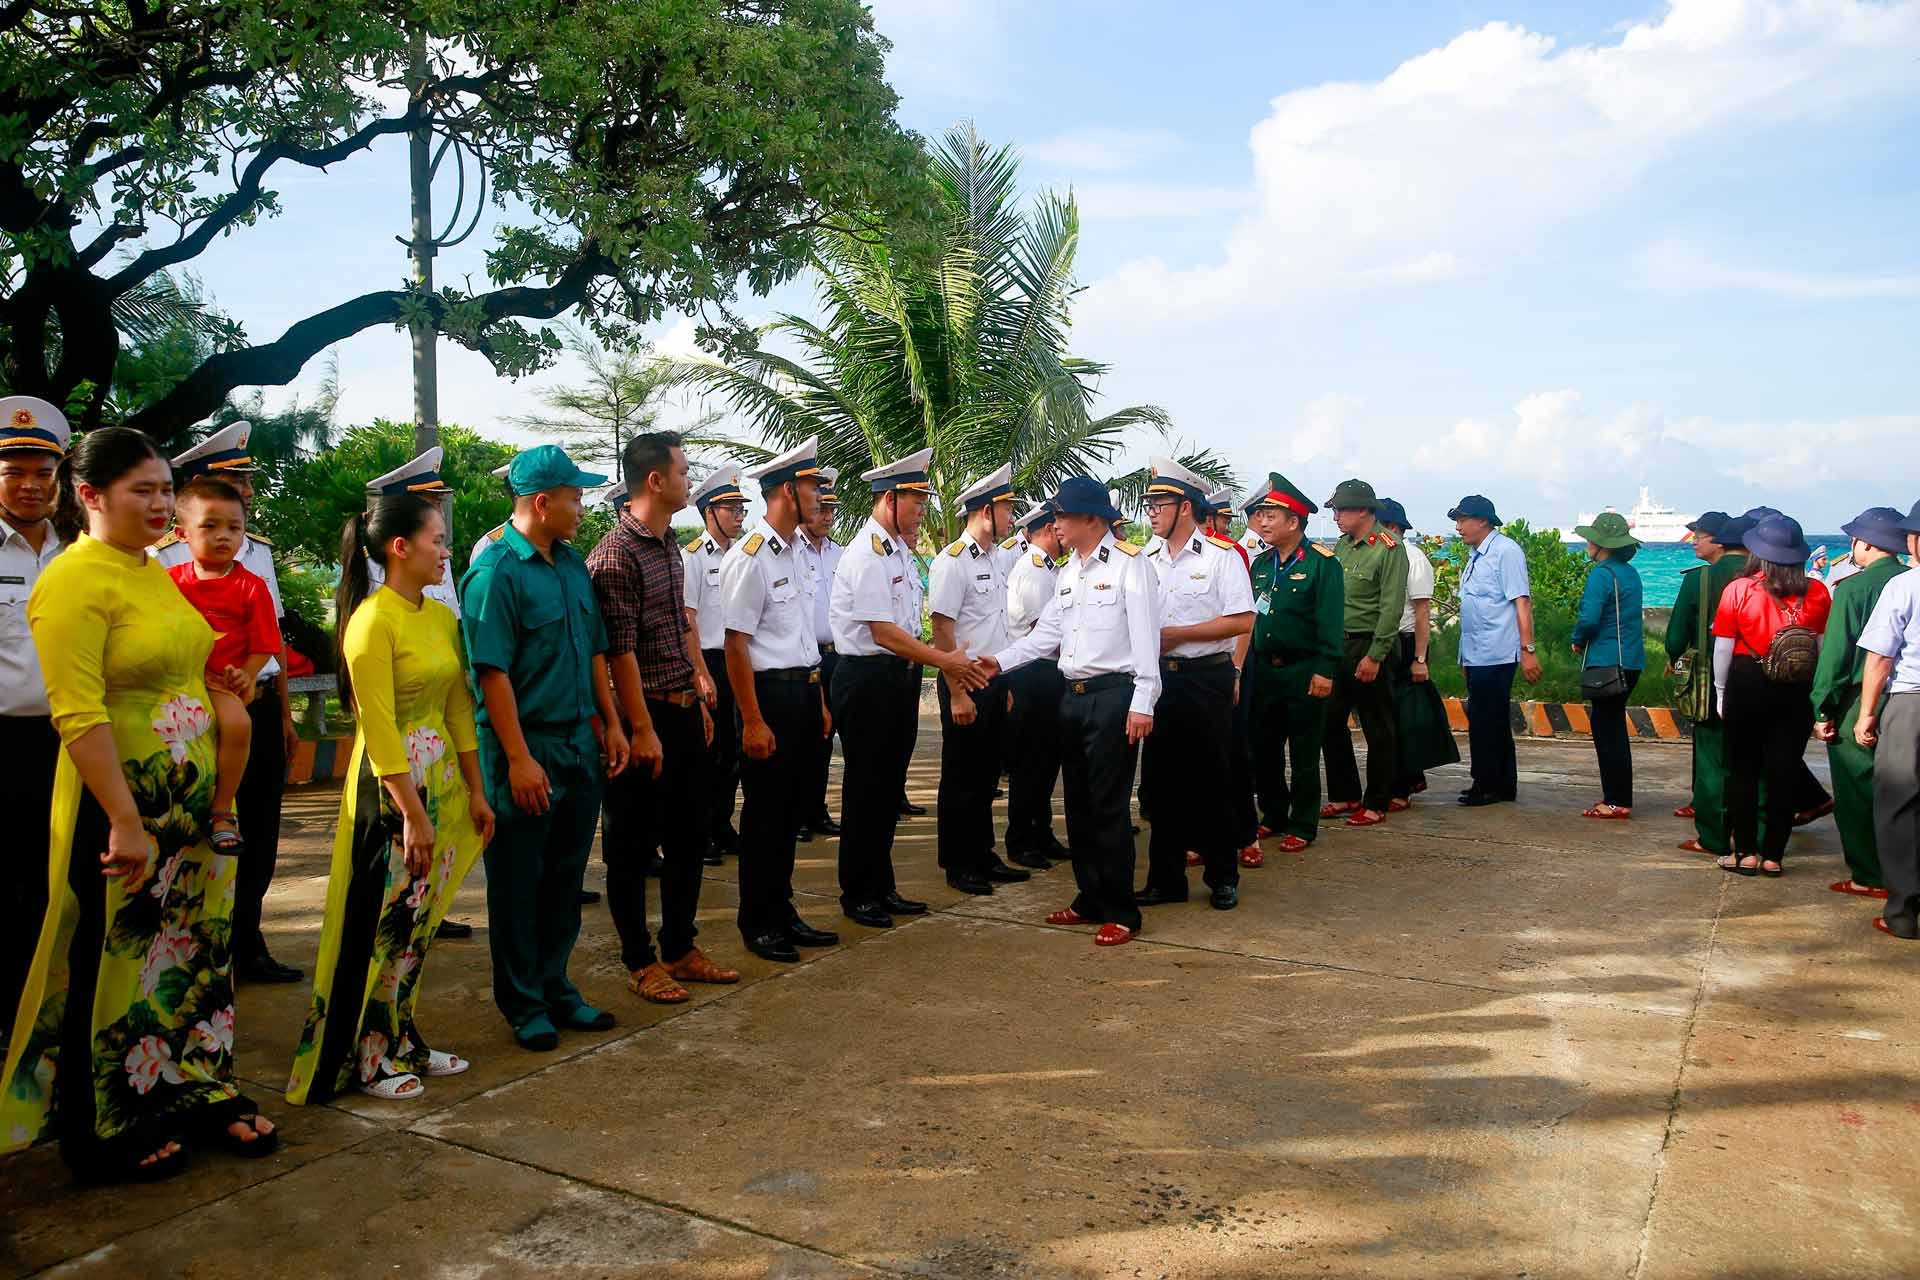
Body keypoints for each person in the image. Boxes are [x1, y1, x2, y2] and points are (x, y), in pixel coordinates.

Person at [4, 427, 276, 1181]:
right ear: (89, 496)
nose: (161, 504)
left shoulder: (152, 570)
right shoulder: (73, 580)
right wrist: (124, 819)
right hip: (121, 805)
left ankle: (188, 1084)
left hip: (189, 805)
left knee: (187, 952)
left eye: (165, 490)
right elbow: (77, 713)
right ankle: (99, 1126)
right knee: (115, 960)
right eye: (143, 491)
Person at [286, 494, 494, 1102]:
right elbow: (376, 729)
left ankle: (401, 1037)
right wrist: (412, 813)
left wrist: (476, 792)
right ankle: (364, 1056)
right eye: (437, 539)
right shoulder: (371, 622)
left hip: (444, 784)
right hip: (392, 791)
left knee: (418, 923)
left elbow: (460, 708)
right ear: (399, 547)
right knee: (383, 923)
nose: (446, 551)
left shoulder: (438, 616)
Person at [461, 445, 630, 1051]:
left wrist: (610, 721)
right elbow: (491, 674)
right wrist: (516, 758)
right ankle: (524, 1002)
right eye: (575, 497)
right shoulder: (494, 572)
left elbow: (592, 650)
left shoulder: (570, 565)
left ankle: (557, 986)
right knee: (518, 881)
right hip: (524, 747)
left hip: (577, 742)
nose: (582, 508)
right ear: (542, 501)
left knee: (563, 878)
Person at [587, 433, 741, 1006]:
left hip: (678, 709)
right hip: (637, 715)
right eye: (682, 470)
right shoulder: (614, 554)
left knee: (687, 834)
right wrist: (641, 727)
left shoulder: (667, 546)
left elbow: (678, 626)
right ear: (655, 480)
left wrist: (698, 690)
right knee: (629, 844)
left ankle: (679, 946)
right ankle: (639, 960)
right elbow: (618, 650)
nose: (688, 479)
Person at [979, 477, 1161, 947]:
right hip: (1072, 695)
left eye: (1062, 516)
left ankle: (1121, 909)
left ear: (1092, 519)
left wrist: (1143, 702)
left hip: (1113, 696)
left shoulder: (1129, 565)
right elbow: (1045, 637)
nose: (1055, 524)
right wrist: (999, 661)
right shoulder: (1068, 572)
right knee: (1077, 805)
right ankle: (1090, 896)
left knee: (1108, 806)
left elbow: (1146, 639)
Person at [153, 421, 301, 984]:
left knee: (259, 829)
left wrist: (284, 714)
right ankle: (189, 947)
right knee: (191, 830)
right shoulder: (161, 558)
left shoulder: (255, 553)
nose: (244, 494)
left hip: (255, 703)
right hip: (190, 712)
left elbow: (276, 641)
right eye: (230, 482)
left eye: (244, 485)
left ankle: (248, 941)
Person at [829, 447, 983, 929]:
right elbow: (883, 633)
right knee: (865, 790)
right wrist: (944, 661)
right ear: (889, 498)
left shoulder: (897, 551)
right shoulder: (867, 554)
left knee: (886, 789)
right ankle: (859, 892)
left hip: (896, 678)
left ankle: (882, 885)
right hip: (868, 679)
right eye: (915, 499)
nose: (921, 509)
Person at [718, 438, 839, 963]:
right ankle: (758, 920)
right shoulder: (751, 557)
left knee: (791, 812)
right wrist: (750, 719)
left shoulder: (794, 553)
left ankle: (783, 909)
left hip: (804, 693)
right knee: (765, 815)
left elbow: (801, 635)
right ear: (788, 490)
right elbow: (735, 643)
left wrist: (820, 700)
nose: (820, 496)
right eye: (813, 486)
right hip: (766, 698)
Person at [1134, 459, 1253, 910]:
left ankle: (1223, 876)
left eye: (1159, 504)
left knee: (1213, 779)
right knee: (1161, 785)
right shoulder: (1143, 560)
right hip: (1160, 680)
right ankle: (1165, 880)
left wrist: (1181, 634)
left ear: (1184, 507)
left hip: (1206, 678)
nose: (1151, 512)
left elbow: (1242, 619)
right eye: (1149, 504)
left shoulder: (1220, 558)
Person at [163, 477, 284, 861]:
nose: (223, 536)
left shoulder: (251, 586)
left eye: (234, 528)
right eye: (210, 526)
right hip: (179, 683)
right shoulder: (168, 582)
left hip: (223, 687)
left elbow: (266, 643)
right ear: (182, 533)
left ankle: (221, 810)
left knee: (238, 724)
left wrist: (245, 674)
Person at [1711, 515, 1831, 877]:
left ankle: (1745, 852)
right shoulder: (1818, 591)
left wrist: (1720, 691)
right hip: (1797, 687)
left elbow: (1723, 647)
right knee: (1783, 770)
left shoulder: (1740, 589)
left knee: (1742, 770)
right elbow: (1820, 648)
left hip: (1747, 680)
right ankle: (1774, 856)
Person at [0, 396, 69, 1019]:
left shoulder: (76, 554)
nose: (29, 485)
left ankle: (38, 1007)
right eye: (13, 471)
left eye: (42, 472)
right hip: (1, 741)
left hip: (69, 743)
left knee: (55, 879)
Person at [930, 463, 1027, 896]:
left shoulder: (997, 559)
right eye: (1007, 509)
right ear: (987, 510)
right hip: (964, 681)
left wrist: (1002, 684)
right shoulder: (952, 562)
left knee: (987, 774)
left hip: (992, 679)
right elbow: (941, 630)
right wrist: (955, 692)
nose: (1011, 517)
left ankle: (983, 852)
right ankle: (958, 861)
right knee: (961, 776)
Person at [1813, 508, 1911, 899]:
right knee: (1904, 790)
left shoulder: (1853, 588)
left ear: (1865, 543)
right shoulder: (1911, 580)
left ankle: (1869, 875)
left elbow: (1835, 657)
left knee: (1856, 791)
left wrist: (1822, 708)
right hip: (1906, 697)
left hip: (1859, 699)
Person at [1243, 474, 1342, 854]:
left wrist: (1325, 669)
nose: (1263, 522)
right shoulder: (1262, 564)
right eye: (1262, 514)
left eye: (1271, 515)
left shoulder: (1322, 564)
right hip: (1265, 669)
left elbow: (1331, 622)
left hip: (1304, 670)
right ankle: (1274, 814)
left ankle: (1303, 823)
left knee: (1303, 751)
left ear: (1294, 522)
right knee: (1264, 749)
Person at [1319, 479, 1407, 827]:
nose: (1337, 517)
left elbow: (1391, 606)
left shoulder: (1388, 547)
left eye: (1341, 510)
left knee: (1377, 726)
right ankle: (1345, 794)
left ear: (1363, 511)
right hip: (1338, 644)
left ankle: (1377, 801)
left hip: (1369, 643)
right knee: (1330, 721)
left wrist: (1376, 654)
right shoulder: (1341, 547)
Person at [1853, 500, 1920, 938]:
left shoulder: (1905, 586)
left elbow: (1879, 658)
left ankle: (1903, 914)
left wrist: (1866, 714)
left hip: (1910, 703)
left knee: (1899, 806)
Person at [1450, 494, 1542, 807]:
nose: (1459, 527)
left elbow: (1521, 602)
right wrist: (1465, 655)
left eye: (1463, 520)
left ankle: (1487, 784)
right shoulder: (1476, 555)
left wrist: (1528, 649)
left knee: (1486, 720)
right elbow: (1473, 608)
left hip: (1498, 650)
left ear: (1484, 521)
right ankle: (1500, 783)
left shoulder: (1505, 551)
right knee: (1489, 718)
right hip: (1477, 652)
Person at [683, 466, 750, 864]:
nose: (740, 515)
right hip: (708, 661)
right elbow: (687, 618)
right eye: (731, 508)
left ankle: (723, 824)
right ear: (709, 511)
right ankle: (703, 830)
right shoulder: (692, 557)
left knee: (735, 751)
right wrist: (699, 673)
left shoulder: (743, 554)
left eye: (742, 508)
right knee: (709, 754)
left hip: (737, 660)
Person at [1001, 500, 1070, 869]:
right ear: (1046, 530)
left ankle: (1041, 833)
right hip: (1031, 672)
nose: (1063, 534)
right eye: (1058, 527)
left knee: (1047, 761)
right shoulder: (1031, 571)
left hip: (1049, 673)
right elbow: (1036, 632)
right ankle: (1021, 839)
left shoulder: (1048, 569)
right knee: (1030, 763)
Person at [1377, 498, 1457, 806]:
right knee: (1386, 715)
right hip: (1385, 640)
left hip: (1407, 640)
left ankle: (1403, 785)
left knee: (1404, 717)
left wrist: (1420, 658)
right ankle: (1402, 780)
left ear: (1394, 527)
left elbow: (1422, 613)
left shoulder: (1413, 557)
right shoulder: (1380, 555)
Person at [1570, 511, 1645, 819]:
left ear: (1603, 545)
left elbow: (1589, 617)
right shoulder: (1631, 573)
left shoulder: (1602, 573)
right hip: (1632, 661)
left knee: (1607, 732)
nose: (1588, 543)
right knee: (1614, 729)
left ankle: (1616, 800)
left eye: (1592, 539)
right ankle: (1618, 796)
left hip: (1606, 663)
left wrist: (1577, 639)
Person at [1665, 511, 1732, 824]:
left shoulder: (1698, 579)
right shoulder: (1763, 572)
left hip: (1710, 675)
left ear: (1717, 541)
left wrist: (1675, 657)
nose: (1693, 540)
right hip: (1761, 675)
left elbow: (1676, 636)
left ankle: (1713, 832)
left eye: (1699, 535)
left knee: (1709, 753)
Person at [795, 466, 845, 842]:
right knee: (803, 739)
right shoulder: (790, 551)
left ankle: (817, 809)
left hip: (835, 656)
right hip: (803, 660)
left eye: (831, 509)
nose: (826, 515)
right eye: (821, 507)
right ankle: (796, 812)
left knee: (826, 741)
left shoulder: (839, 555)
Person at [365, 447, 464, 616]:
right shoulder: (372, 563)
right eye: (431, 505)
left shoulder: (438, 555)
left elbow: (450, 619)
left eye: (439, 503)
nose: (439, 513)